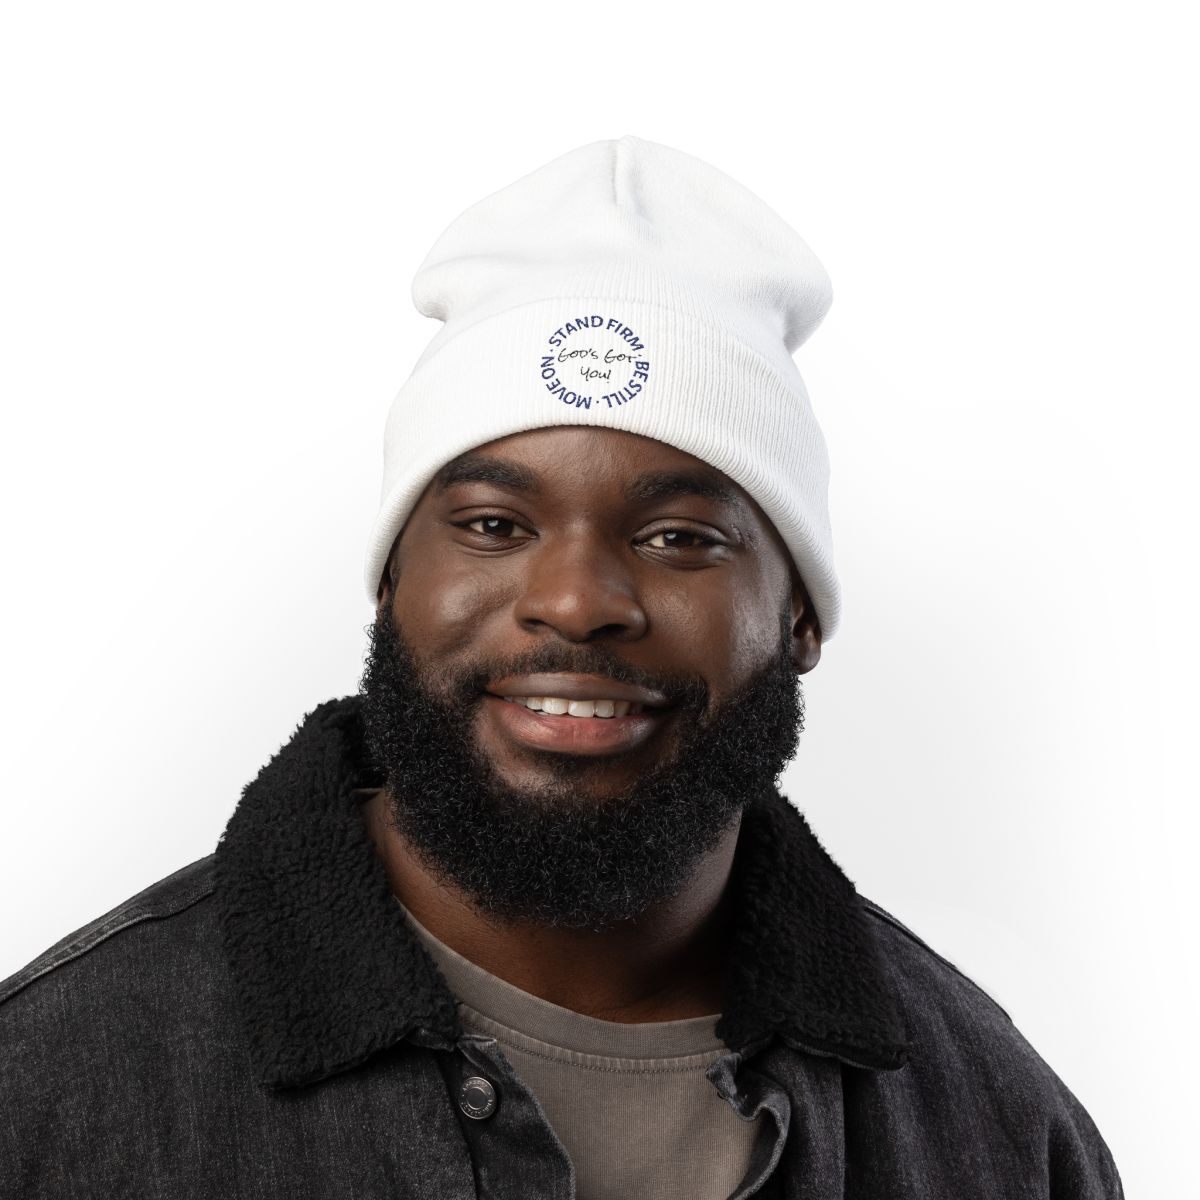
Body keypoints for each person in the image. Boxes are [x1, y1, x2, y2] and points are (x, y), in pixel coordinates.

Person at [1, 135, 1123, 1199]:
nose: (577, 602)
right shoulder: (51, 1092)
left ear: (799, 621)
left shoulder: (995, 1127)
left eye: (680, 536)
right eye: (493, 525)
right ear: (392, 581)